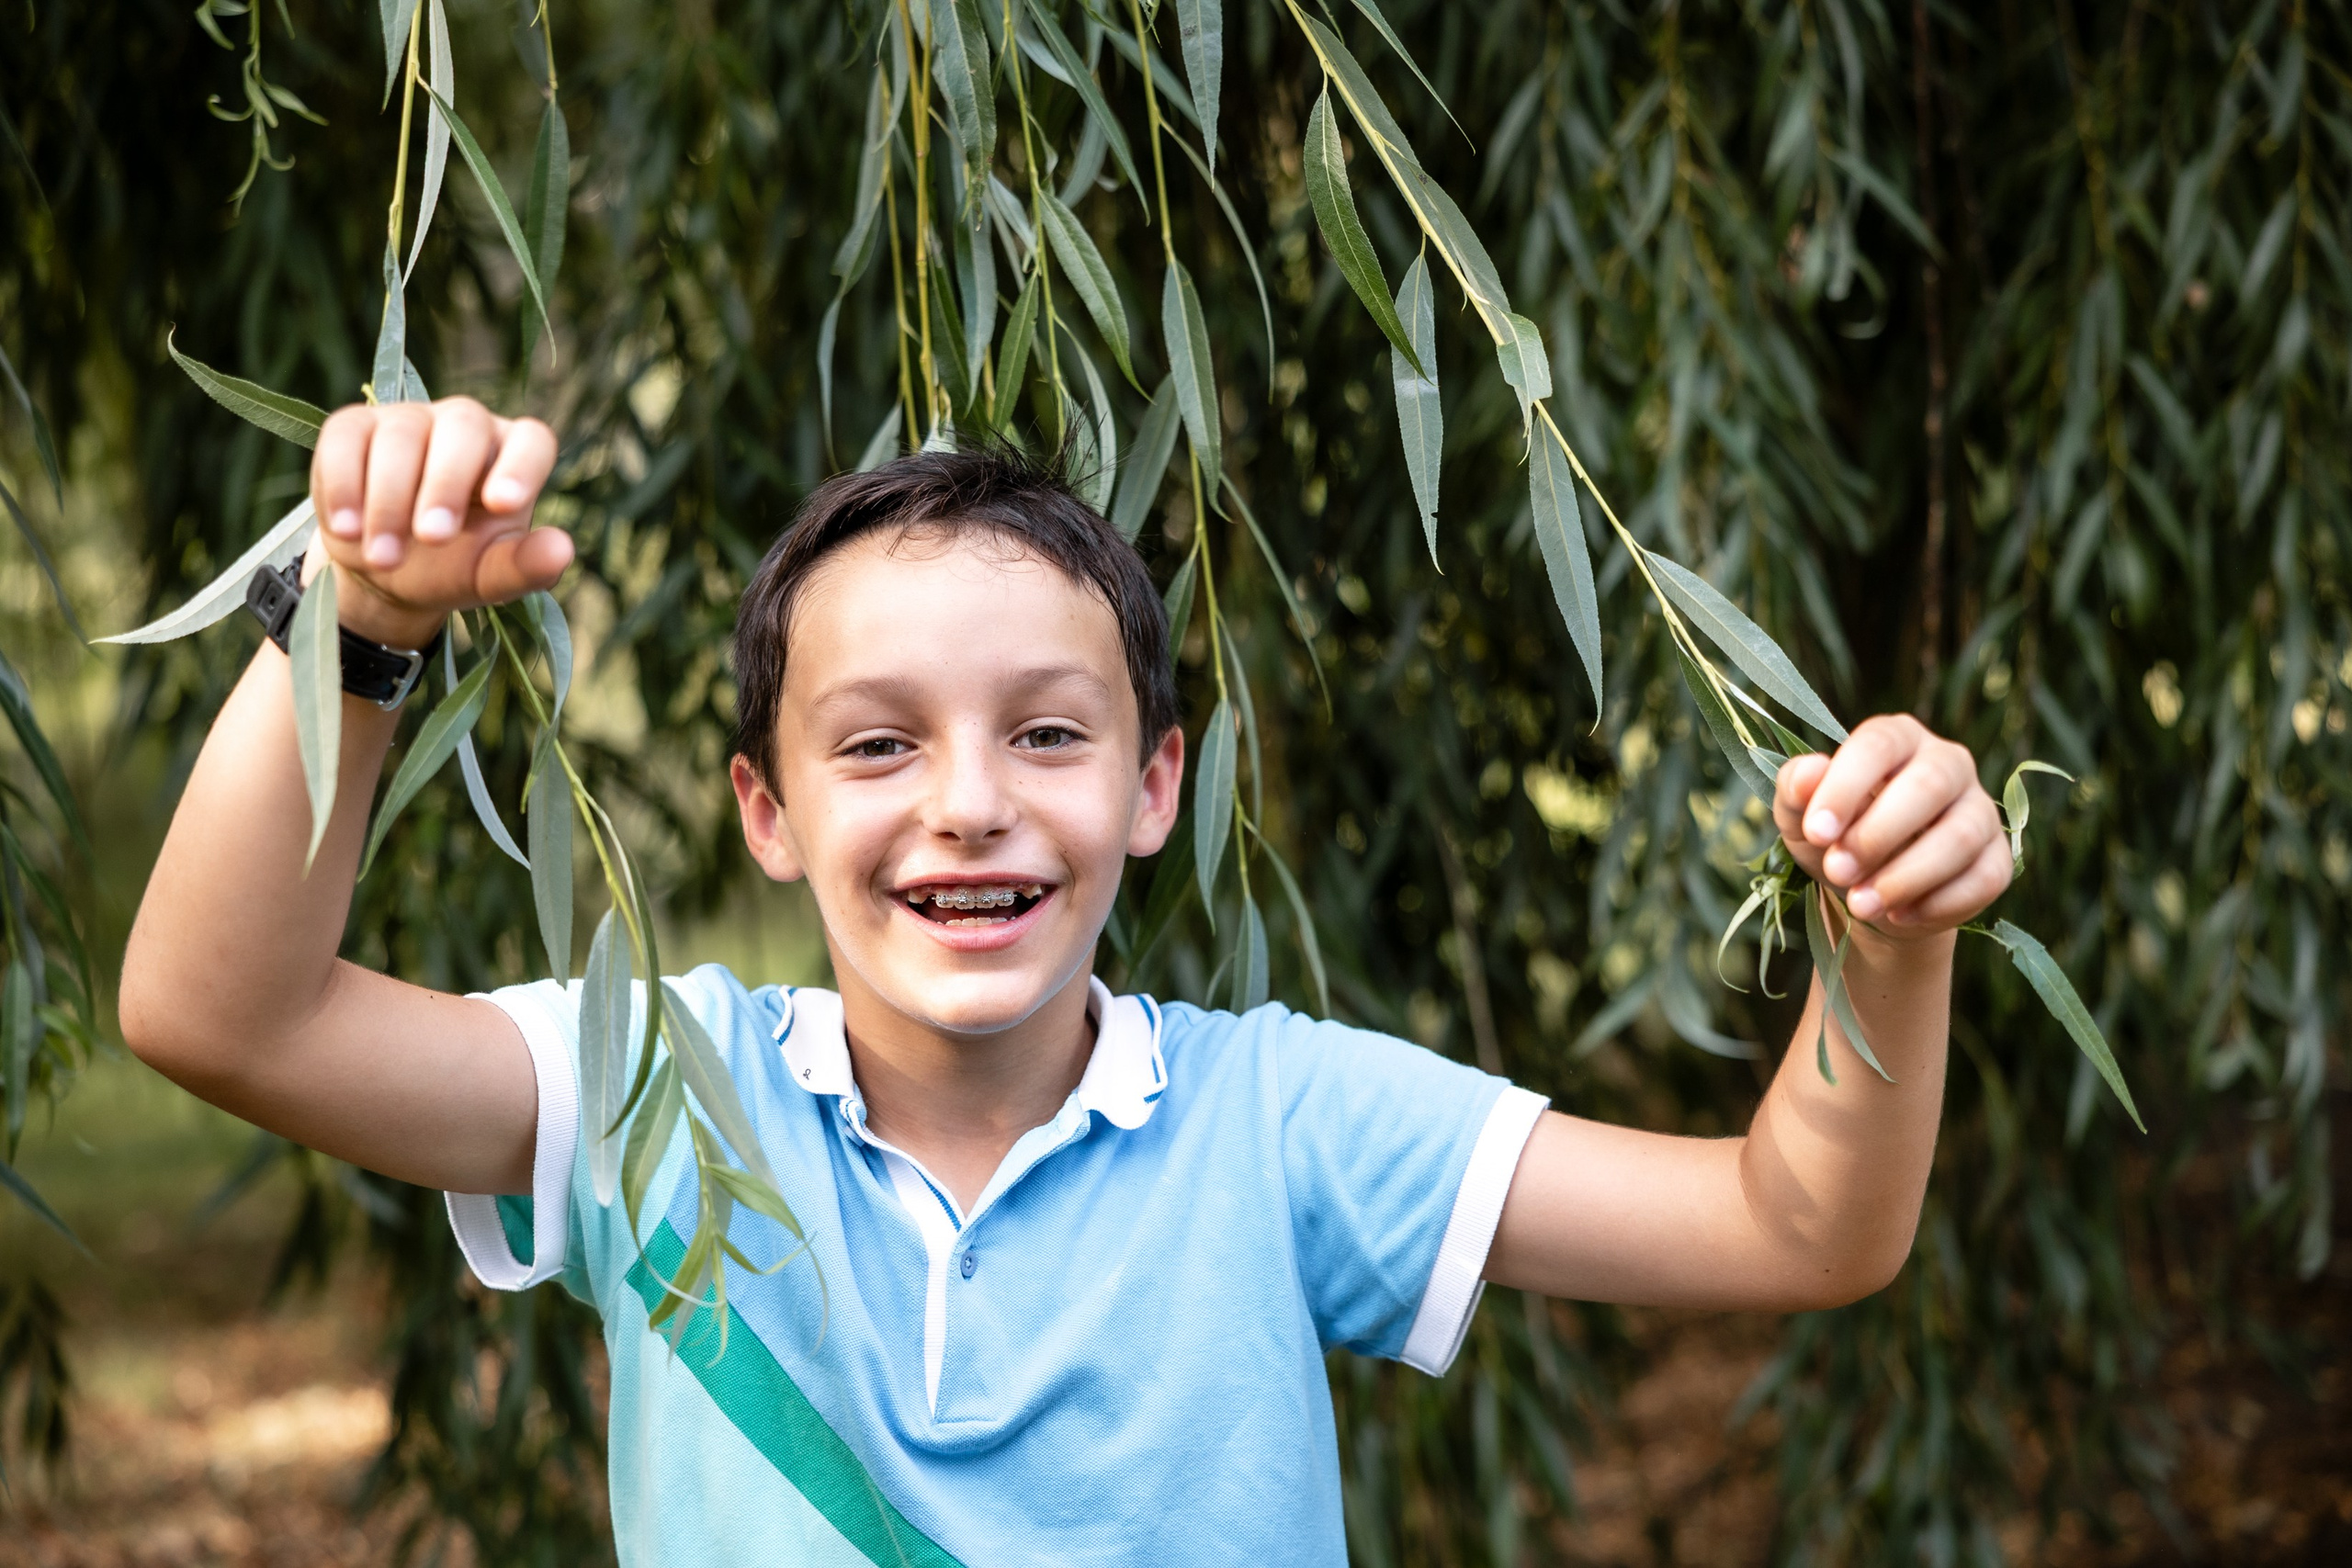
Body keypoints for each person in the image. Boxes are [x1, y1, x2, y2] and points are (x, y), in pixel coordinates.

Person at [121, 396, 2011, 1565]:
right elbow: (221, 1015)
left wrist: (1891, 938)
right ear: (766, 810)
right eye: (878, 745)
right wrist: (360, 627)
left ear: (1154, 786)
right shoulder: (657, 1090)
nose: (968, 802)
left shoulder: (1279, 1123)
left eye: (1045, 731)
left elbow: (1796, 1225)